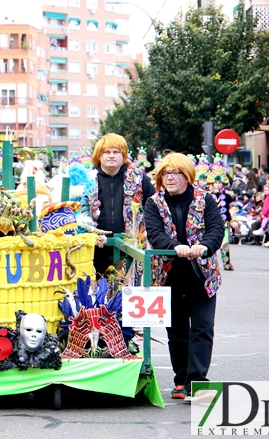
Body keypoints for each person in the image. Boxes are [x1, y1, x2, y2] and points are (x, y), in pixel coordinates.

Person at [144, 152, 224, 401]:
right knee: (177, 333)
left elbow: (216, 229)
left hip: (202, 278)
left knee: (202, 329)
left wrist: (205, 246)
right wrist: (173, 246)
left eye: (176, 173)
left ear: (187, 176)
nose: (170, 178)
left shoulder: (205, 199)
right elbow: (154, 233)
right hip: (169, 278)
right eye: (166, 173)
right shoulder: (153, 203)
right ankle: (181, 381)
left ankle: (197, 382)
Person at [91, 133, 155, 276]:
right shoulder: (89, 179)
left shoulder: (139, 178)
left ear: (124, 155)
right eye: (107, 152)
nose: (111, 156)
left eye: (116, 152)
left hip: (130, 248)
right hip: (96, 248)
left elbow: (154, 208)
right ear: (99, 156)